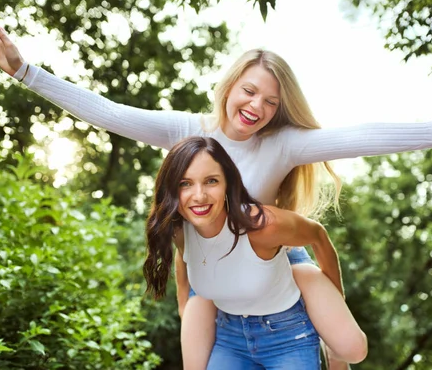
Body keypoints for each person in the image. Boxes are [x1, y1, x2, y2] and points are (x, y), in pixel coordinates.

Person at [0, 19, 432, 369]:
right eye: (250, 91)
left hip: (276, 257)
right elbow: (111, 113)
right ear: (231, 86)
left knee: (339, 338)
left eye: (270, 100)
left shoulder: (281, 144)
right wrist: (27, 72)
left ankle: (322, 335)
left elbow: (360, 137)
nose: (257, 106)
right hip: (217, 272)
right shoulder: (188, 132)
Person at [144, 136, 367, 369]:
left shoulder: (263, 225)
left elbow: (318, 235)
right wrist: (184, 307)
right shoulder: (179, 228)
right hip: (231, 333)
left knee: (353, 350)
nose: (199, 196)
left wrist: (334, 302)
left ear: (227, 184)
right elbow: (184, 259)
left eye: (211, 181)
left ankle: (300, 277)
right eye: (184, 183)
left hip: (288, 331)